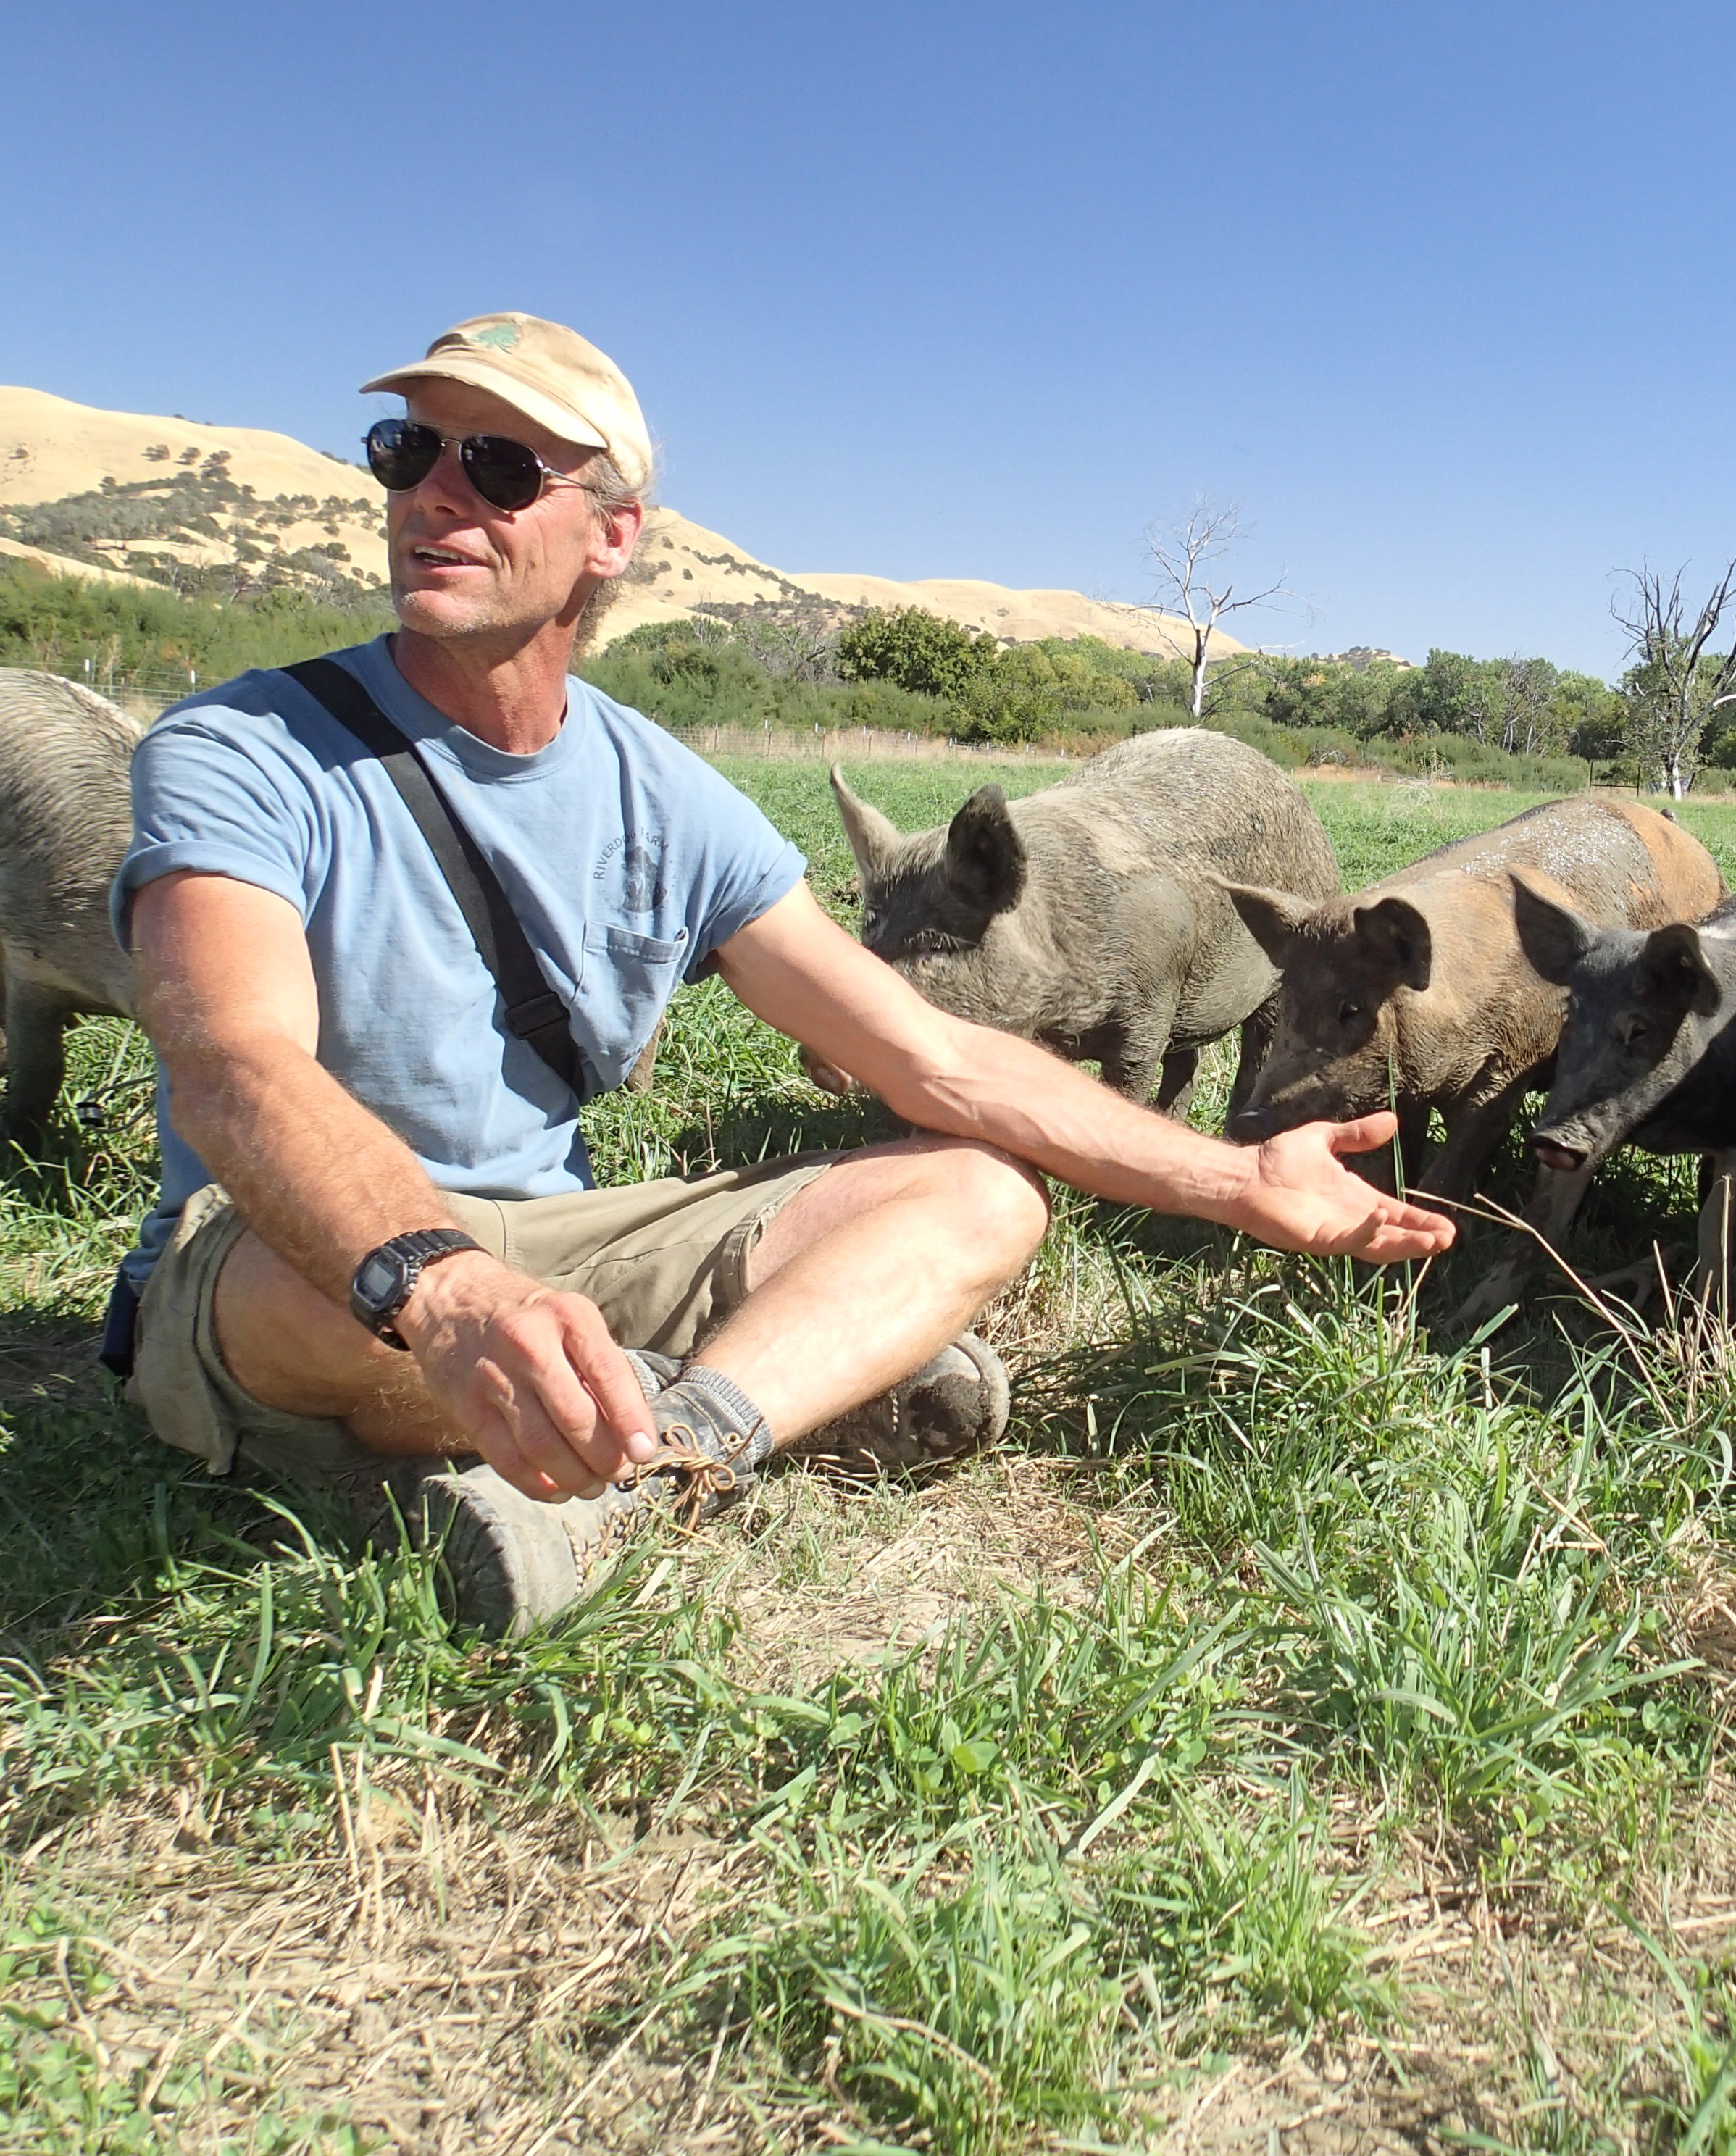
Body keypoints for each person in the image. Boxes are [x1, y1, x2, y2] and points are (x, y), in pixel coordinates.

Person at [108, 313, 1452, 1634]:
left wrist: (1239, 1178)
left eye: (501, 468)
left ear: (613, 533)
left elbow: (936, 1057)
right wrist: (444, 1285)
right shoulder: (242, 750)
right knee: (310, 1285)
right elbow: (236, 1066)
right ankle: (761, 1384)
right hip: (291, 1256)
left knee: (981, 1192)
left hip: (562, 1246)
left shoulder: (666, 795)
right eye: (409, 452)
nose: (436, 496)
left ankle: (659, 1462)